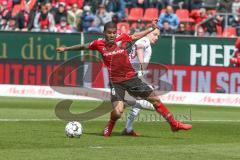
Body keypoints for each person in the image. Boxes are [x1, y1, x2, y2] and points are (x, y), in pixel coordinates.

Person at [56, 21, 192, 137]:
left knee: (155, 100)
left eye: (114, 32)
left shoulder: (122, 38)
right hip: (116, 83)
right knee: (118, 112)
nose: (112, 35)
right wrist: (66, 48)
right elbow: (83, 46)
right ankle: (110, 125)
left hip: (132, 78)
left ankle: (174, 124)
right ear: (104, 32)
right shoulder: (98, 44)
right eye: (109, 32)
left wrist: (150, 28)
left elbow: (135, 36)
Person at [122, 28, 160, 136]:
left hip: (132, 74)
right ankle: (124, 103)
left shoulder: (144, 41)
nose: (156, 37)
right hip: (132, 76)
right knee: (154, 104)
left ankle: (128, 128)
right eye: (155, 34)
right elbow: (140, 48)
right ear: (148, 33)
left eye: (158, 36)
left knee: (146, 103)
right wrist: (142, 66)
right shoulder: (144, 41)